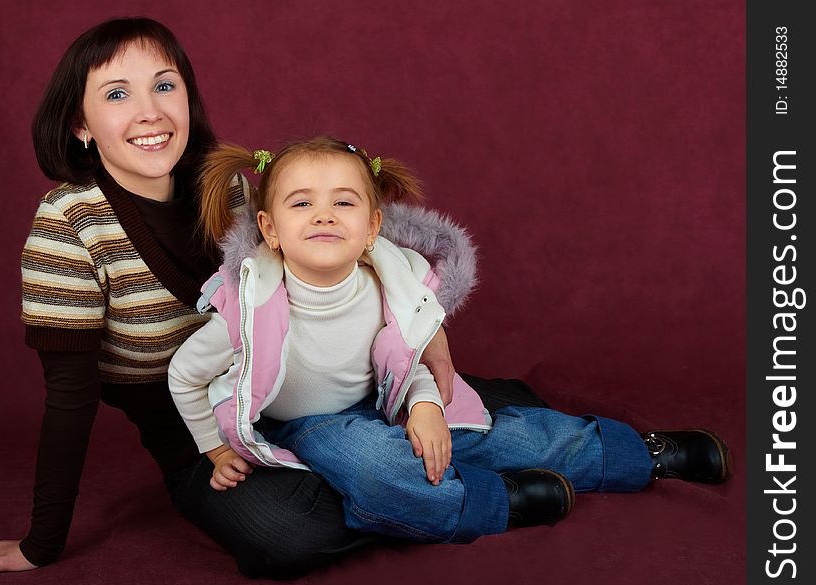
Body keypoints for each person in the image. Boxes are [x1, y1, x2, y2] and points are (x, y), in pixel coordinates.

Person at [0, 17, 500, 579]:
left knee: (462, 424)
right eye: (117, 94)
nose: (150, 112)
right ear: (80, 125)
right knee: (287, 539)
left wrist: (427, 325)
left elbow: (346, 241)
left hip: (306, 383)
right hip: (199, 434)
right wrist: (42, 543)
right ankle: (404, 487)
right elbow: (70, 398)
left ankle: (413, 465)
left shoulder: (230, 189)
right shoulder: (69, 226)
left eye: (165, 86)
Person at [168, 136, 733, 543]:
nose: (324, 215)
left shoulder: (385, 285)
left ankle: (640, 454)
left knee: (498, 437)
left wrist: (424, 404)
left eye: (344, 201)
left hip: (383, 401)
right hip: (306, 423)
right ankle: (494, 502)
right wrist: (212, 447)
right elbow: (185, 374)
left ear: (371, 229)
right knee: (371, 466)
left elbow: (404, 356)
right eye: (301, 203)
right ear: (269, 230)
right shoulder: (247, 309)